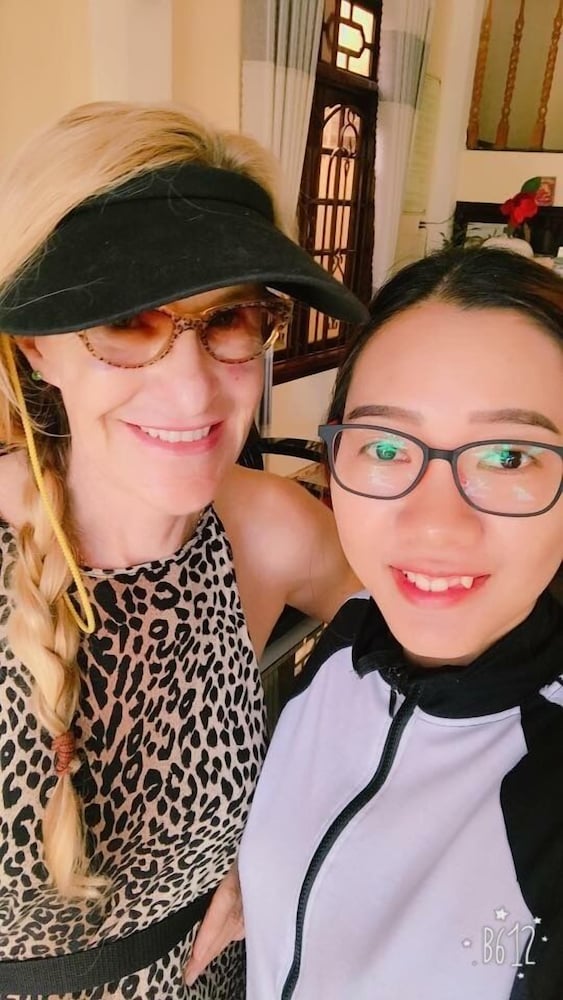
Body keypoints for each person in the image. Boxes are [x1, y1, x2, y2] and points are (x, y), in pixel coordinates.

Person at [0, 100, 367, 999]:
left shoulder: (267, 531)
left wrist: (290, 833)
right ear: (38, 345)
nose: (193, 389)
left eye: (231, 317)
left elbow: (440, 654)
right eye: (129, 321)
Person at [240, 247, 563, 1000]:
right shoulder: (352, 634)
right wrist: (259, 873)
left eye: (509, 457)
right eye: (385, 447)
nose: (435, 524)